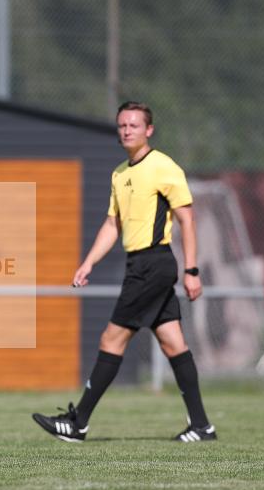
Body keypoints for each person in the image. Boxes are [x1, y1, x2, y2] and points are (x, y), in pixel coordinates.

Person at [32, 101, 216, 443]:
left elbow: (188, 219)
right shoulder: (120, 173)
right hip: (139, 264)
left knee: (111, 339)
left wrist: (192, 270)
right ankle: (202, 426)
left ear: (149, 130)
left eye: (134, 125)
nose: (127, 130)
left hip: (153, 264)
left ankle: (78, 423)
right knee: (173, 342)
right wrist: (88, 262)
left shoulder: (163, 166)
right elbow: (111, 224)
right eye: (122, 125)